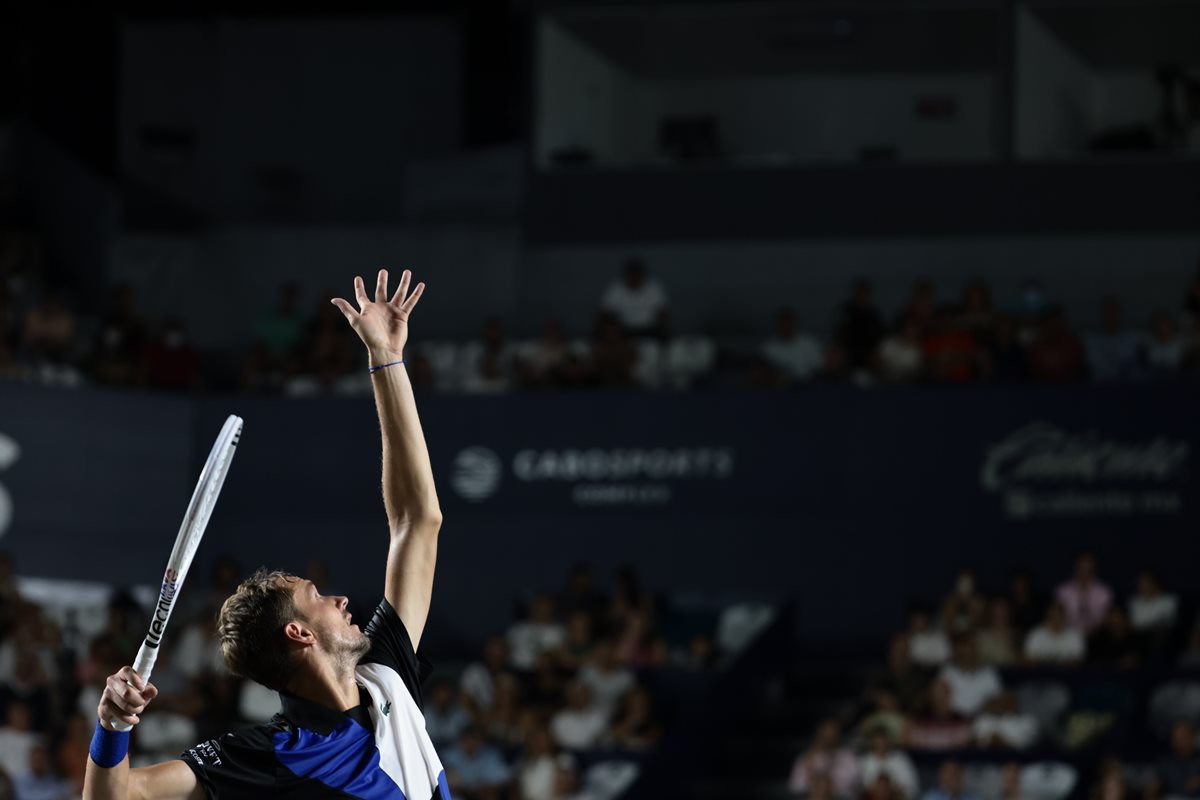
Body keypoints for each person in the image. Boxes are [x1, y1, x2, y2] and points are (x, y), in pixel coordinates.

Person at [84, 270, 450, 800]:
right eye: (317, 596)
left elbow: (418, 520)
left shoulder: (385, 674)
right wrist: (112, 727)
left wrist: (386, 359)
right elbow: (116, 797)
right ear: (299, 633)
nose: (342, 599)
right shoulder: (269, 754)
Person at [787, 718, 859, 799]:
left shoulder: (848, 756)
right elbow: (797, 786)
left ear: (839, 734)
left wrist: (828, 787)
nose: (829, 736)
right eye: (826, 731)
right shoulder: (807, 757)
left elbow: (852, 785)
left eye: (833, 731)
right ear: (819, 733)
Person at [599, 258, 668, 338]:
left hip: (650, 329)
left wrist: (664, 329)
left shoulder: (654, 287)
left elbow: (663, 312)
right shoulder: (615, 288)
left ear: (642, 275)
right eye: (631, 275)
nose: (634, 278)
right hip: (623, 330)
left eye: (636, 275)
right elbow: (605, 313)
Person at [937, 637, 1002, 718]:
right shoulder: (948, 671)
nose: (965, 656)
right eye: (962, 653)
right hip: (953, 717)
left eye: (968, 652)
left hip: (981, 717)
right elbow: (939, 698)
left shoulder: (988, 672)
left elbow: (996, 698)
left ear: (975, 652)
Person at [440, 726, 510, 800]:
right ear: (461, 740)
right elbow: (448, 783)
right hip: (458, 794)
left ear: (481, 741)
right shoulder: (449, 756)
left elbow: (503, 778)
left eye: (475, 739)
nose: (471, 743)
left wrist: (484, 787)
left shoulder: (490, 755)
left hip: (482, 794)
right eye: (468, 739)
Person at [1084, 297, 1144, 382]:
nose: (1111, 316)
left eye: (1114, 312)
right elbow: (1094, 364)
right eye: (1107, 312)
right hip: (1099, 384)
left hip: (1129, 384)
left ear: (1121, 314)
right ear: (1101, 315)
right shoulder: (1091, 339)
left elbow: (1134, 363)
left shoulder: (1133, 338)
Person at [762, 307, 823, 384]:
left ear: (795, 323)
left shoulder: (810, 343)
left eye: (788, 322)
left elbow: (820, 367)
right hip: (779, 387)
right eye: (782, 323)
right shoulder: (767, 348)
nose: (785, 326)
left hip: (809, 385)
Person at [1055, 552, 1112, 633]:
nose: (1085, 572)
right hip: (1068, 633)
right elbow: (1057, 617)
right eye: (1081, 568)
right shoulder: (1062, 591)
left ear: (1094, 569)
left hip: (1098, 634)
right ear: (1075, 568)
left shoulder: (1104, 592)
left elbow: (1107, 619)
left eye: (1088, 568)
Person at [858, 727, 918, 800]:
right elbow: (860, 788)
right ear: (872, 742)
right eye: (877, 740)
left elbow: (912, 789)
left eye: (883, 740)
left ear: (889, 741)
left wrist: (891, 789)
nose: (880, 744)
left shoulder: (900, 759)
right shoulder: (865, 761)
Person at [972, 692, 1038, 750]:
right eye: (998, 702)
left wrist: (1003, 742)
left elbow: (1032, 743)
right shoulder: (982, 721)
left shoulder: (1027, 721)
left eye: (1006, 702)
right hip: (986, 757)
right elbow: (974, 742)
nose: (1001, 705)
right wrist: (989, 741)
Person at [1157, 720, 1200, 798]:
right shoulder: (1166, 762)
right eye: (1177, 738)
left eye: (1184, 737)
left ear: (1193, 737)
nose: (1180, 742)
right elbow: (1154, 789)